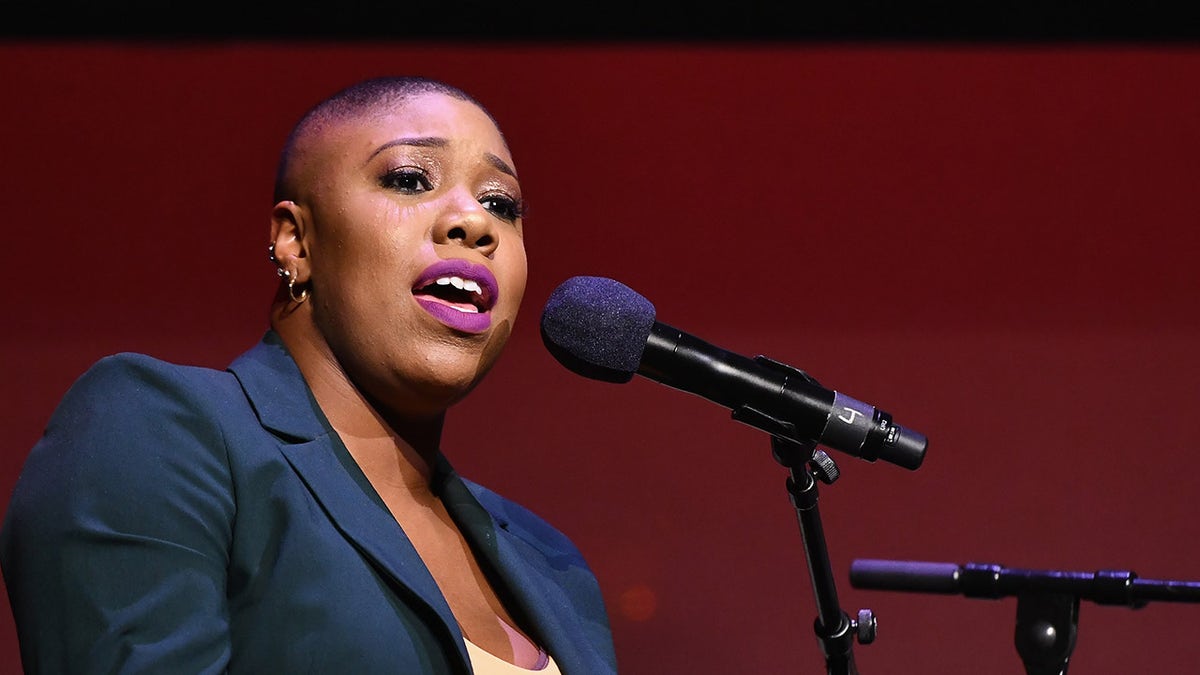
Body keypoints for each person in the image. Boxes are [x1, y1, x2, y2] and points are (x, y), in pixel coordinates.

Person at [0, 75, 618, 674]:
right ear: (296, 240)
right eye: (409, 179)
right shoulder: (160, 433)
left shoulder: (551, 565)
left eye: (500, 204)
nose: (475, 223)